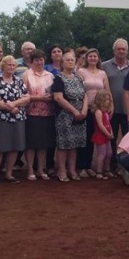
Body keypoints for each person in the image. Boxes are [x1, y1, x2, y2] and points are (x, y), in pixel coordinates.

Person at [0, 56, 30, 184]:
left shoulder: (18, 81)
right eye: (8, 65)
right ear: (3, 66)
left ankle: (9, 174)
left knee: (14, 146)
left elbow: (26, 98)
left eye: (13, 65)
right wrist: (9, 107)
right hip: (0, 118)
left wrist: (14, 104)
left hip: (17, 117)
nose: (11, 67)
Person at [52, 51, 89, 182]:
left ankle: (72, 170)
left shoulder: (78, 78)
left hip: (80, 115)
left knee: (74, 144)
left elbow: (84, 95)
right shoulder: (58, 78)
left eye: (72, 60)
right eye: (67, 60)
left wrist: (84, 109)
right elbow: (58, 98)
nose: (70, 62)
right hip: (65, 115)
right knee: (64, 144)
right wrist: (74, 111)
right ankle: (61, 171)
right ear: (62, 63)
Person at [102, 38, 129, 169]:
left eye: (123, 49)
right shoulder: (105, 66)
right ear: (114, 50)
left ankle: (127, 165)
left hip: (128, 110)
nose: (121, 51)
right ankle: (112, 164)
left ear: (127, 51)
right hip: (111, 109)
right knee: (111, 137)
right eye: (119, 49)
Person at [76, 48, 111, 178]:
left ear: (98, 58)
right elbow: (79, 90)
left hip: (100, 110)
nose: (92, 58)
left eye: (95, 56)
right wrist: (84, 107)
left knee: (96, 137)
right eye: (90, 56)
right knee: (85, 137)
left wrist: (110, 105)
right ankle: (82, 166)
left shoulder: (102, 73)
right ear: (86, 58)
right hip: (86, 108)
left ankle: (90, 165)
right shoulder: (81, 71)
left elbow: (107, 90)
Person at [22, 49, 55, 181]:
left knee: (43, 143)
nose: (39, 62)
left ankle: (41, 169)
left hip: (48, 113)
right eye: (36, 60)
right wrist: (40, 98)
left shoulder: (50, 75)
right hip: (31, 113)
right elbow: (23, 95)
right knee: (31, 143)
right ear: (31, 61)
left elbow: (54, 92)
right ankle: (30, 168)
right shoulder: (26, 75)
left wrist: (51, 96)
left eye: (41, 59)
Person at [91, 90, 114, 179]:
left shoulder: (106, 112)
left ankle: (107, 169)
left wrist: (111, 132)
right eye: (106, 100)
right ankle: (99, 171)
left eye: (108, 100)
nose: (108, 101)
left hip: (107, 135)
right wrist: (108, 134)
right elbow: (100, 125)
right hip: (101, 135)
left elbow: (108, 123)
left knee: (109, 153)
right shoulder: (98, 112)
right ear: (100, 100)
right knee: (102, 154)